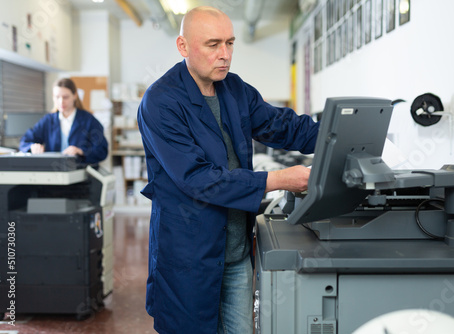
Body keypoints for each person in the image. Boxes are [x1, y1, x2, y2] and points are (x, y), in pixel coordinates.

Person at [137, 6, 320, 334]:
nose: (225, 54)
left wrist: (338, 136)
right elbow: (198, 178)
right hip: (189, 256)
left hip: (235, 253)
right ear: (183, 47)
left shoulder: (235, 90)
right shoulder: (161, 102)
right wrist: (278, 180)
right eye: (213, 44)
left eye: (230, 43)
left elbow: (283, 127)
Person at [19, 78, 108, 164]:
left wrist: (80, 151)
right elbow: (24, 141)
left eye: (65, 97)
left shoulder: (89, 120)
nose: (61, 102)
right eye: (57, 97)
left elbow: (102, 150)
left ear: (75, 96)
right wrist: (32, 147)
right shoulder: (48, 120)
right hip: (53, 173)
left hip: (81, 173)